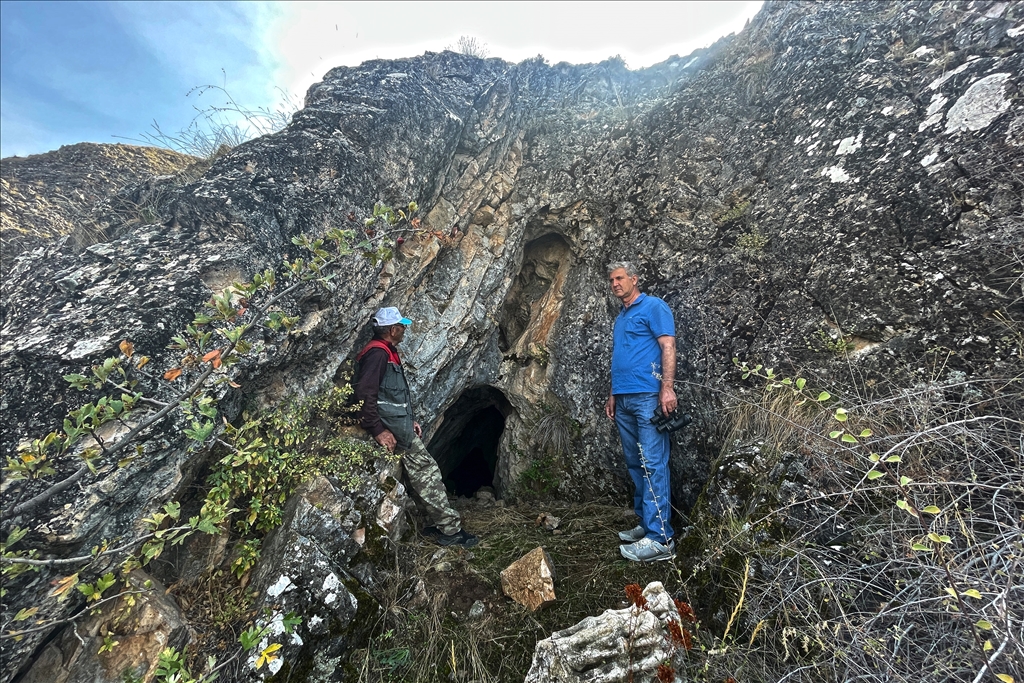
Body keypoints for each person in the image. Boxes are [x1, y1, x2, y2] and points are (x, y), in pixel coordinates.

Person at [354, 307, 478, 547]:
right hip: (395, 430)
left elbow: (388, 396)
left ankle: (439, 524)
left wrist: (408, 419)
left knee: (423, 474)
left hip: (400, 425)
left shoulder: (386, 352)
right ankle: (451, 532)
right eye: (402, 326)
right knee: (427, 473)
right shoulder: (378, 354)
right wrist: (377, 430)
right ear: (392, 329)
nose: (405, 329)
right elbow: (365, 394)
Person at [604, 262, 677, 562]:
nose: (615, 284)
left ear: (634, 279)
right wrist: (613, 395)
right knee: (636, 463)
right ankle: (647, 523)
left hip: (648, 396)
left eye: (620, 278)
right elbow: (620, 358)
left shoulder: (654, 307)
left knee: (653, 463)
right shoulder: (621, 317)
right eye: (611, 280)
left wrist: (667, 388)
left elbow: (668, 346)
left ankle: (661, 539)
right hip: (624, 399)